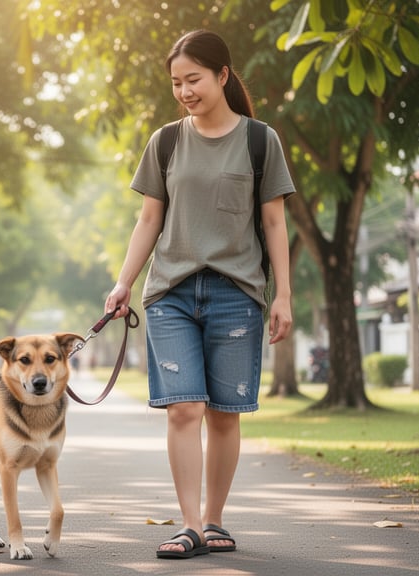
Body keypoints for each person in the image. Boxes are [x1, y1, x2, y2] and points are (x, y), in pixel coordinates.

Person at [104, 29, 294, 559]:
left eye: (194, 80)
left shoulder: (260, 140)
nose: (185, 91)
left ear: (223, 76)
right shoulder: (166, 141)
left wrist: (283, 297)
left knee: (223, 414)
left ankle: (214, 520)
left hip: (237, 293)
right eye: (176, 83)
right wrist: (123, 282)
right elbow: (148, 219)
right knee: (183, 409)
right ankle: (189, 525)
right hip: (171, 293)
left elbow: (275, 223)